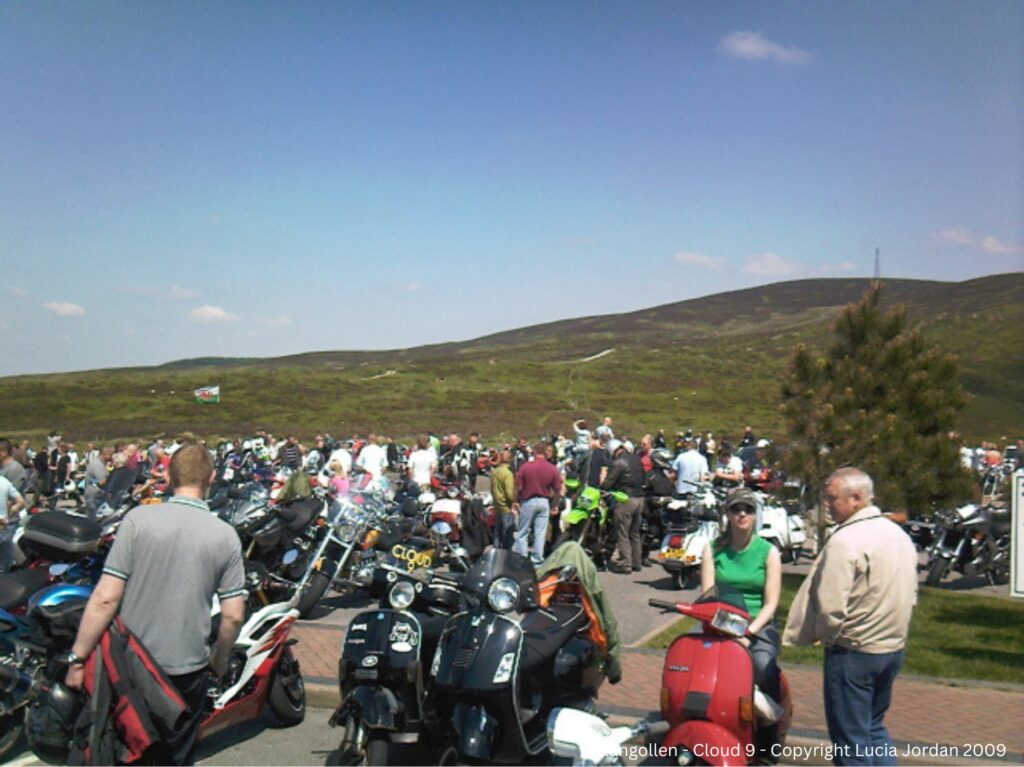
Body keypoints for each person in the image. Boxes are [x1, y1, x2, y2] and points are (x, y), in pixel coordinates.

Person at [65, 444, 247, 765]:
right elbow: (232, 616)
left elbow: (106, 597)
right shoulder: (226, 535)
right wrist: (219, 658)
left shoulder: (137, 520)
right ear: (212, 478)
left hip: (131, 664)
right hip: (187, 667)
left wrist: (78, 658)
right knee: (176, 754)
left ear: (168, 475)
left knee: (129, 749)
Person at [784, 468, 918, 767]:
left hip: (854, 651)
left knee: (851, 744)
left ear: (856, 498)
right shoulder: (897, 535)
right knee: (873, 728)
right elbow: (911, 594)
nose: (828, 505)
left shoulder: (846, 540)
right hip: (891, 648)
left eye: (832, 499)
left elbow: (831, 604)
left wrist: (827, 635)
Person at [700, 488, 782, 722]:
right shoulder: (712, 549)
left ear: (756, 515)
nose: (742, 514)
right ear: (727, 513)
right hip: (720, 622)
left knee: (761, 662)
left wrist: (748, 632)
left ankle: (769, 732)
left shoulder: (769, 552)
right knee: (692, 657)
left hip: (757, 624)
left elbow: (771, 603)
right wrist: (725, 629)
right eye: (736, 509)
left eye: (748, 509)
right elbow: (708, 597)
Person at [514, 441, 563, 565]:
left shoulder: (526, 466)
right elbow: (557, 489)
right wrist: (555, 504)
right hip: (544, 501)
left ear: (535, 452)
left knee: (523, 532)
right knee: (540, 533)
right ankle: (537, 559)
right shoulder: (552, 469)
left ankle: (522, 558)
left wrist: (515, 501)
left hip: (528, 500)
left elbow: (518, 486)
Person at [601, 439, 645, 574]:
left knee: (623, 532)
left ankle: (625, 563)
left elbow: (609, 482)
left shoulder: (618, 462)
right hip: (640, 498)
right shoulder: (636, 458)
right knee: (635, 532)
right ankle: (637, 562)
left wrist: (601, 487)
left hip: (626, 498)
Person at [490, 450, 518, 549]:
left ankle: (496, 550)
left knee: (497, 532)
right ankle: (506, 554)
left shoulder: (495, 471)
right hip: (506, 506)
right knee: (507, 533)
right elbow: (509, 492)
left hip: (497, 505)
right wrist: (514, 502)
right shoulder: (507, 474)